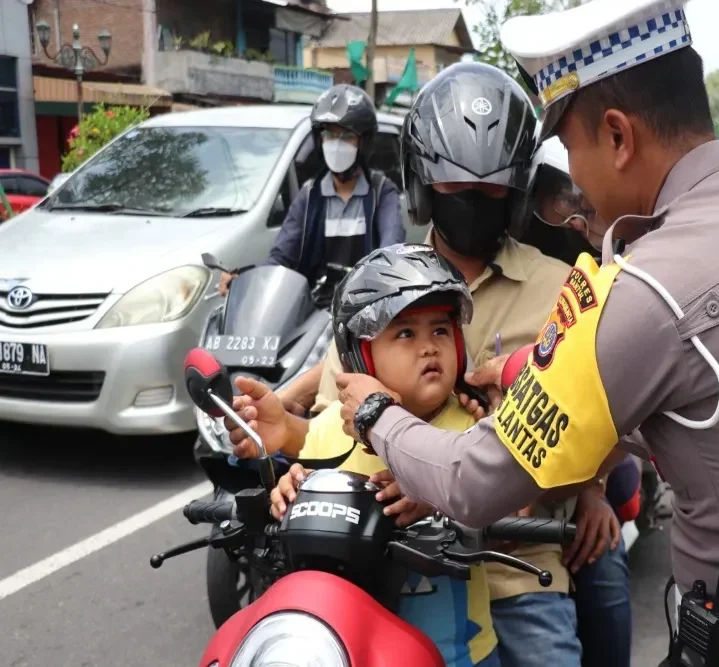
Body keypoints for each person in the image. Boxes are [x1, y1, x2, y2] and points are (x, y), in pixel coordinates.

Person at [330, 1, 719, 665]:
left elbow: (472, 482)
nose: (574, 176)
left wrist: (375, 411)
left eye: (572, 147)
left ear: (619, 137)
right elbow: (714, 411)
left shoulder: (651, 287)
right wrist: (519, 371)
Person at [228, 63, 613, 667]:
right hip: (378, 566)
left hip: (515, 566)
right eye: (457, 189)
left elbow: (585, 423)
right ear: (424, 186)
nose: (474, 204)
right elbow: (332, 422)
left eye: (492, 192)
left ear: (518, 192)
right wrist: (291, 460)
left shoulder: (562, 288)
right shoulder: (376, 284)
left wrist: (586, 491)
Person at [264, 243, 499, 667]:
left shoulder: (472, 429)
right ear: (361, 355)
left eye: (440, 330)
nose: (429, 347)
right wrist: (288, 493)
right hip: (345, 645)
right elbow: (304, 483)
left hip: (454, 651)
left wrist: (437, 496)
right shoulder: (331, 425)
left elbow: (505, 505)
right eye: (406, 333)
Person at [527, 136, 633, 667]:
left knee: (604, 562)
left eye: (583, 201)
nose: (573, 215)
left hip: (590, 457)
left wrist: (591, 489)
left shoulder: (613, 272)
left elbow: (616, 398)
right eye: (561, 199)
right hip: (497, 473)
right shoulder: (481, 270)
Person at [218, 84, 404, 296]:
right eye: (330, 135)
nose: (336, 145)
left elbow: (391, 246)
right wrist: (244, 279)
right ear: (320, 139)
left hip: (366, 303)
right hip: (315, 308)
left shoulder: (381, 192)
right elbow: (282, 258)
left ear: (364, 142)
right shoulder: (309, 195)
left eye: (346, 136)